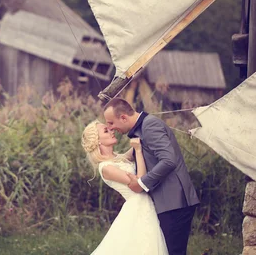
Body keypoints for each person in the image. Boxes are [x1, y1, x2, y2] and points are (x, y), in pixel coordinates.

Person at [103, 98, 200, 255]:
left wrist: (141, 183)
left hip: (175, 201)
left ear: (123, 117)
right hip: (166, 203)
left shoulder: (149, 125)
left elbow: (169, 160)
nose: (111, 128)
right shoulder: (141, 129)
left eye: (111, 123)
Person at [81, 120, 168, 255]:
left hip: (144, 205)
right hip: (138, 207)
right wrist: (138, 151)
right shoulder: (106, 167)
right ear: (98, 141)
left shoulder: (117, 158)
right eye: (106, 130)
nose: (112, 131)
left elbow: (133, 149)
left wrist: (145, 131)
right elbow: (140, 183)